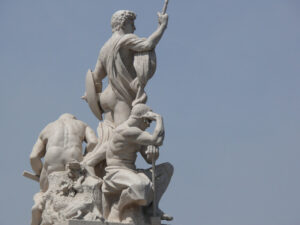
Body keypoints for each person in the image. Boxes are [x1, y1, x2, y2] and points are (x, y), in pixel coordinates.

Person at [84, 10, 168, 126]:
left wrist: (90, 95)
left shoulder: (104, 48)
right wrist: (162, 26)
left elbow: (97, 76)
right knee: (125, 136)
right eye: (132, 24)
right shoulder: (125, 39)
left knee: (109, 138)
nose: (134, 28)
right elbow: (148, 45)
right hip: (121, 96)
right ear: (123, 24)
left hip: (106, 98)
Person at [101, 104, 173, 221]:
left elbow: (149, 159)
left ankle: (153, 207)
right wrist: (159, 119)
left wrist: (153, 152)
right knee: (140, 186)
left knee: (167, 169)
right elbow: (157, 140)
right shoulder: (126, 131)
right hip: (116, 171)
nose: (149, 125)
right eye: (149, 121)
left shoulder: (138, 134)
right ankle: (117, 208)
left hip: (131, 171)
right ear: (142, 118)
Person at [29, 113, 98, 225]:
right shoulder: (82, 125)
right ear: (74, 118)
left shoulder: (48, 127)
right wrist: (86, 158)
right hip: (74, 164)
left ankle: (40, 203)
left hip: (53, 166)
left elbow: (33, 157)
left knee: (43, 193)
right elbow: (94, 143)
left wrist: (39, 172)